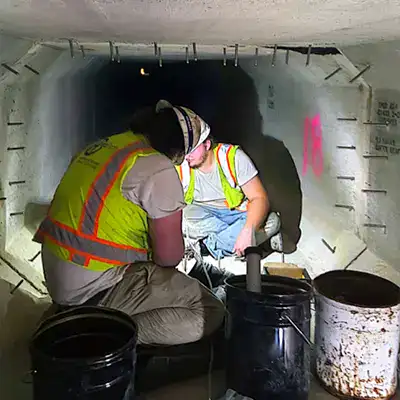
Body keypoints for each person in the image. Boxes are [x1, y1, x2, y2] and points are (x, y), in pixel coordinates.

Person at [33, 100, 225, 346]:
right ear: (179, 150)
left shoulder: (104, 146)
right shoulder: (158, 167)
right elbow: (168, 258)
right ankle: (104, 335)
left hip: (58, 275)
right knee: (208, 310)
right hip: (95, 287)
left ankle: (84, 317)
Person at [175, 110, 282, 260]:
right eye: (185, 149)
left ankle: (207, 245)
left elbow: (259, 198)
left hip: (236, 213)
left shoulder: (232, 157)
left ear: (206, 144)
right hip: (204, 215)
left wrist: (247, 230)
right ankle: (245, 243)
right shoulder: (181, 164)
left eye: (192, 149)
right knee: (184, 217)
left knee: (271, 221)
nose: (187, 156)